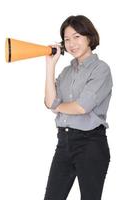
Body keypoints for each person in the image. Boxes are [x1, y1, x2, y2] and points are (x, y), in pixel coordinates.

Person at [44, 15, 113, 200]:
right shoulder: (66, 72)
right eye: (66, 39)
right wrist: (50, 65)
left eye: (76, 37)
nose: (71, 43)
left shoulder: (101, 69)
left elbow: (82, 107)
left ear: (89, 37)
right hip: (64, 142)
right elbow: (49, 102)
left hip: (90, 144)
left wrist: (57, 107)